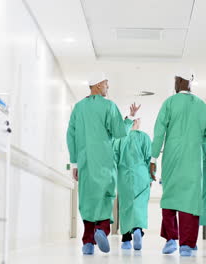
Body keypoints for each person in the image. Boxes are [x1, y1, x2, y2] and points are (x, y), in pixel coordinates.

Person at [150, 71, 206, 257]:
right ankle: (187, 245)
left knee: (170, 197)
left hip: (171, 158)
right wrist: (194, 137)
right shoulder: (201, 106)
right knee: (190, 201)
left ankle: (171, 239)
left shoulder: (169, 104)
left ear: (177, 82)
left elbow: (159, 134)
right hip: (193, 160)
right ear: (190, 84)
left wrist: (153, 159)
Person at [66, 72, 132, 255]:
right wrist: (128, 120)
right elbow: (119, 132)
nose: (108, 87)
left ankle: (87, 243)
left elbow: (70, 135)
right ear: (98, 85)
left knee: (88, 198)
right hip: (104, 160)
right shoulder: (109, 106)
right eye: (106, 84)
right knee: (105, 196)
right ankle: (101, 230)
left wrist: (74, 162)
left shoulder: (78, 108)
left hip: (85, 160)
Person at [113, 116, 154, 251]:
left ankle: (125, 239)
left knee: (125, 205)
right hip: (141, 174)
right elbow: (149, 158)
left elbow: (114, 158)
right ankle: (137, 229)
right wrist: (150, 177)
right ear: (138, 123)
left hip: (124, 176)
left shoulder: (119, 139)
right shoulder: (145, 138)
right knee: (140, 204)